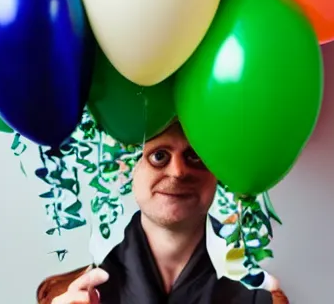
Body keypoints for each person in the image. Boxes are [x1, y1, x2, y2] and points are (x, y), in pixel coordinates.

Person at [37, 120, 289, 304]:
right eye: (159, 156)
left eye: (196, 156)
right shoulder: (69, 295)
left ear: (218, 173)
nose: (178, 172)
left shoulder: (261, 297)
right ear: (129, 169)